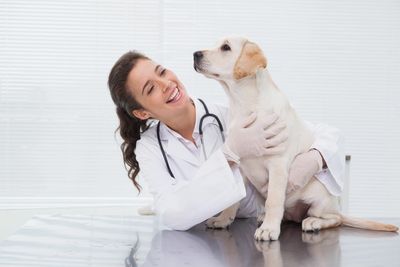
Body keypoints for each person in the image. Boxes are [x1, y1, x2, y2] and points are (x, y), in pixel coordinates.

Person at [107, 51, 345, 231]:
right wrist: (229, 154)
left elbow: (324, 133)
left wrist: (316, 157)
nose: (166, 84)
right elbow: (172, 215)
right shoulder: (149, 148)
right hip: (206, 243)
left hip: (263, 230)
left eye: (162, 72)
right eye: (151, 88)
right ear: (142, 113)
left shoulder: (231, 114)